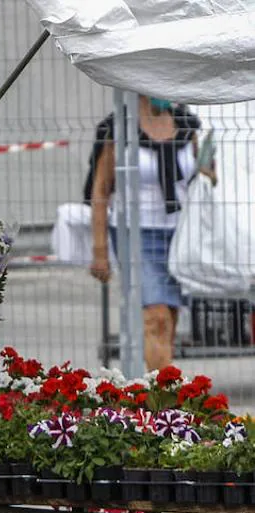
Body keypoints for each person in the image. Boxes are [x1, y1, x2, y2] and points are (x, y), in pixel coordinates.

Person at [89, 97, 210, 373]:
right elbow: (100, 191)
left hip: (181, 235)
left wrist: (213, 173)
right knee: (156, 318)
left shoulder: (187, 126)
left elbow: (203, 174)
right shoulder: (118, 129)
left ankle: (158, 391)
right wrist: (100, 251)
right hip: (137, 235)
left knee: (169, 318)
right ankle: (166, 402)